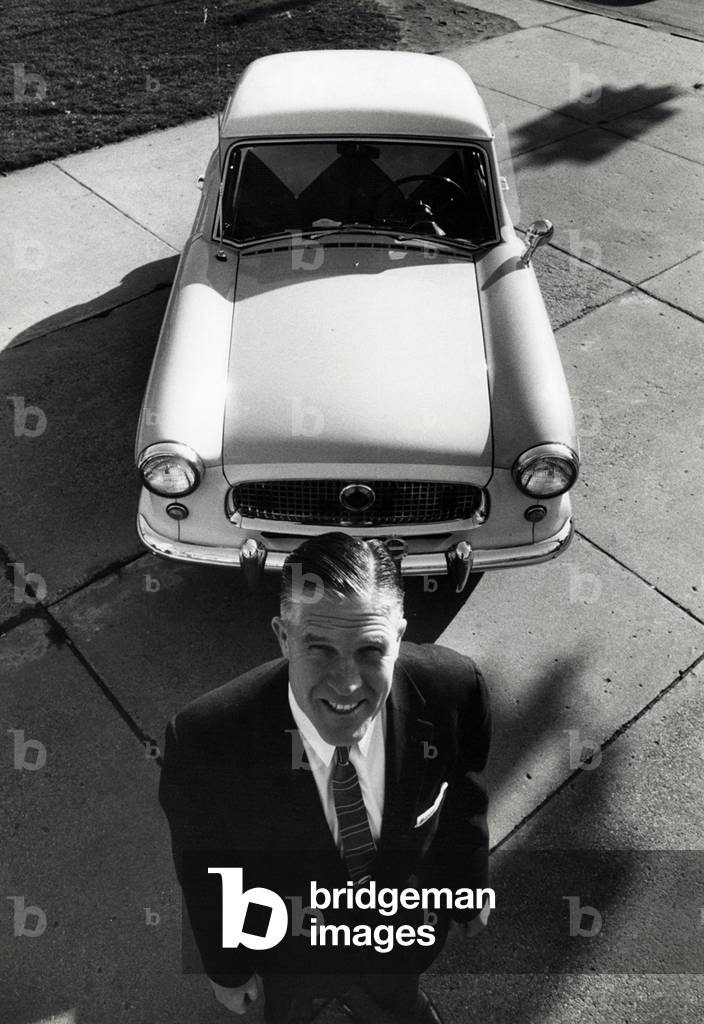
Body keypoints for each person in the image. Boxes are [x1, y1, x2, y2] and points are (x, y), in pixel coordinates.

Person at [159, 532, 492, 1023]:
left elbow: (463, 795)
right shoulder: (207, 743)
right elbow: (208, 873)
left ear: (399, 636)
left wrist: (470, 885)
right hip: (291, 956)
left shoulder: (453, 691)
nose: (347, 683)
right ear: (283, 637)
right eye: (320, 649)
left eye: (369, 650)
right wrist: (227, 969)